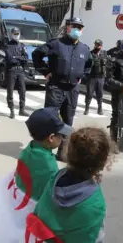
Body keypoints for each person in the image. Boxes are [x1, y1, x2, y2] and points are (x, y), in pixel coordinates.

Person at [0, 107, 71, 243]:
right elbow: (51, 192)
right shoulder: (48, 163)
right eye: (61, 136)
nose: (63, 139)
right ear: (51, 138)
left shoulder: (30, 149)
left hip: (20, 207)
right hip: (32, 211)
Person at [32, 17, 92, 162]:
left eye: (80, 27)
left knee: (68, 122)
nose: (77, 29)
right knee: (50, 120)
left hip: (72, 90)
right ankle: (44, 151)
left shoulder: (84, 49)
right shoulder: (56, 43)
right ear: (68, 28)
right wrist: (45, 72)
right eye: (74, 26)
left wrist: (81, 77)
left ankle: (62, 152)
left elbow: (89, 66)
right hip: (56, 87)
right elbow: (37, 54)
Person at [4, 27, 28, 119]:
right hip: (11, 70)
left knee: (22, 91)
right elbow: (10, 60)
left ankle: (22, 109)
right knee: (10, 91)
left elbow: (25, 58)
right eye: (14, 34)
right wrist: (19, 58)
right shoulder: (7, 45)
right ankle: (12, 110)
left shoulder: (22, 45)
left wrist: (16, 57)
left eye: (17, 34)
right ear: (11, 34)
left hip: (20, 71)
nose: (16, 35)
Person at [85, 39, 107, 116]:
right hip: (92, 77)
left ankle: (99, 109)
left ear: (101, 46)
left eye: (98, 45)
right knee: (89, 93)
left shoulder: (104, 54)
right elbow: (86, 65)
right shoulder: (90, 53)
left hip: (101, 77)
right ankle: (87, 108)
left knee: (100, 94)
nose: (97, 46)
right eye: (96, 44)